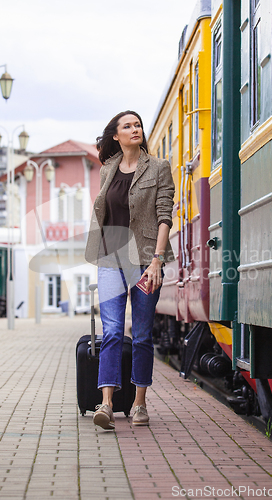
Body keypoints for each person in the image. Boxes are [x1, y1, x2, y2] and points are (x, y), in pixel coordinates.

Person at [85, 110, 175, 430]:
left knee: (141, 335)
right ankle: (106, 404)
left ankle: (139, 404)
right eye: (128, 126)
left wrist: (157, 261)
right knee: (111, 332)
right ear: (116, 136)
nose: (135, 129)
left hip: (145, 259)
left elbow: (165, 215)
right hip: (110, 258)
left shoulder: (160, 167)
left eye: (137, 125)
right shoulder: (108, 169)